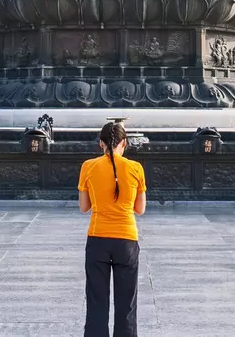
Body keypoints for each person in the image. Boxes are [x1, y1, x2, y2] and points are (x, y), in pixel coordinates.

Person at [78, 121, 147, 337]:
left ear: (101, 144)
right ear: (124, 143)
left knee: (97, 300)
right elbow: (140, 209)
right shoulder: (136, 168)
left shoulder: (88, 166)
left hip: (98, 239)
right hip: (126, 241)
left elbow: (84, 207)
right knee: (126, 302)